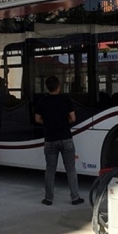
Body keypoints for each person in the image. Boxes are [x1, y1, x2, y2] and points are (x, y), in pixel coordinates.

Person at [34, 76, 84, 206]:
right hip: (65, 138)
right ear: (59, 86)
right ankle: (75, 197)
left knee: (50, 170)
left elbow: (37, 119)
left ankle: (48, 198)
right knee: (70, 169)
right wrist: (62, 122)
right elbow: (73, 118)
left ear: (47, 88)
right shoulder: (65, 100)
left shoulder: (42, 101)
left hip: (50, 140)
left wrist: (49, 122)